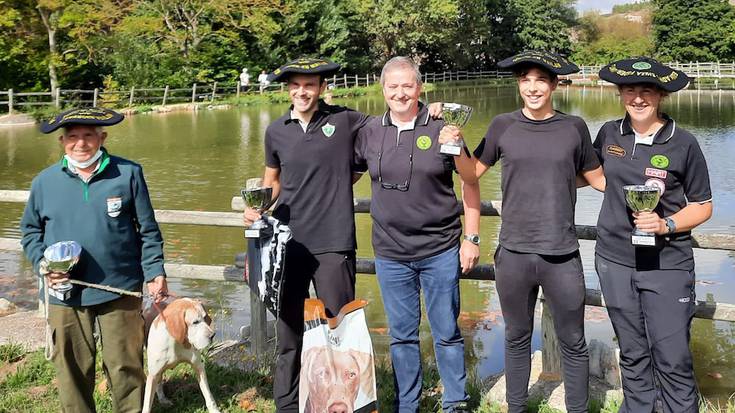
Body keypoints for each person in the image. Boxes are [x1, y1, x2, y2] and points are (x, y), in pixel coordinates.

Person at [441, 51, 605, 413]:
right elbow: (471, 175)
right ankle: (516, 407)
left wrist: (648, 181)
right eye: (526, 79)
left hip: (561, 254)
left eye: (541, 80)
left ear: (555, 84)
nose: (532, 87)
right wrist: (456, 142)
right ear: (519, 84)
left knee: (573, 341)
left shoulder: (574, 127)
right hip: (513, 253)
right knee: (516, 338)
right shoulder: (503, 125)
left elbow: (599, 180)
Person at [20, 107, 168, 413]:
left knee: (126, 365)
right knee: (72, 367)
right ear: (62, 141)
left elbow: (148, 230)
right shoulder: (44, 182)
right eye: (72, 136)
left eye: (88, 135)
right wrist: (44, 267)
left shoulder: (128, 173)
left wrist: (154, 271)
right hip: (65, 293)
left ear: (103, 137)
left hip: (120, 287)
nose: (81, 143)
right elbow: (30, 233)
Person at [242, 57, 369, 413]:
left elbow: (391, 122)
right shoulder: (275, 130)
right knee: (289, 335)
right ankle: (287, 406)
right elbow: (273, 180)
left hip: (334, 243)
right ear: (288, 89)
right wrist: (258, 210)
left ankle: (340, 405)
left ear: (322, 88)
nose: (302, 91)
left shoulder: (345, 120)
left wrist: (429, 108)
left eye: (310, 85)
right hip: (288, 245)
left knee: (337, 332)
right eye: (296, 85)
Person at [353, 56, 475, 413]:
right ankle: (408, 404)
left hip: (439, 249)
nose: (401, 93)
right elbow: (344, 177)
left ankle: (456, 402)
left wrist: (471, 237)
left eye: (408, 85)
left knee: (446, 333)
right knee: (402, 335)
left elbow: (470, 181)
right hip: (391, 254)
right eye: (393, 86)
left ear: (420, 88)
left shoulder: (441, 124)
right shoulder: (370, 132)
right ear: (383, 89)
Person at [593, 57, 712, 413]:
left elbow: (703, 206)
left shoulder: (684, 142)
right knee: (632, 355)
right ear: (620, 94)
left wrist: (666, 224)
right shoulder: (609, 133)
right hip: (614, 261)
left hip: (667, 265)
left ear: (661, 95)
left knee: (673, 359)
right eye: (630, 90)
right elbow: (595, 176)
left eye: (647, 90)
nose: (638, 98)